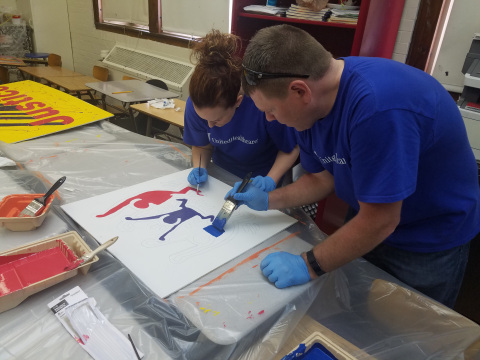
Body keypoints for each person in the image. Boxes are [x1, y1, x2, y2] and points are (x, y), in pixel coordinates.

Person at [228, 24, 480, 308]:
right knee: (353, 313)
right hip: (368, 217)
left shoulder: (378, 109)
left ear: (300, 91)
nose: (270, 120)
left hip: (428, 236)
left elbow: (381, 220)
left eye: (270, 111)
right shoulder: (309, 105)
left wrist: (309, 264)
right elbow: (323, 179)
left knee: (411, 332)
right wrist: (268, 199)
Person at [183, 29, 299, 192]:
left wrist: (270, 180)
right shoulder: (196, 105)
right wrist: (199, 167)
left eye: (216, 120)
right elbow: (202, 145)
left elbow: (290, 147)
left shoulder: (262, 106)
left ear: (238, 102)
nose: (210, 125)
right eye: (205, 120)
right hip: (221, 176)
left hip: (260, 177)